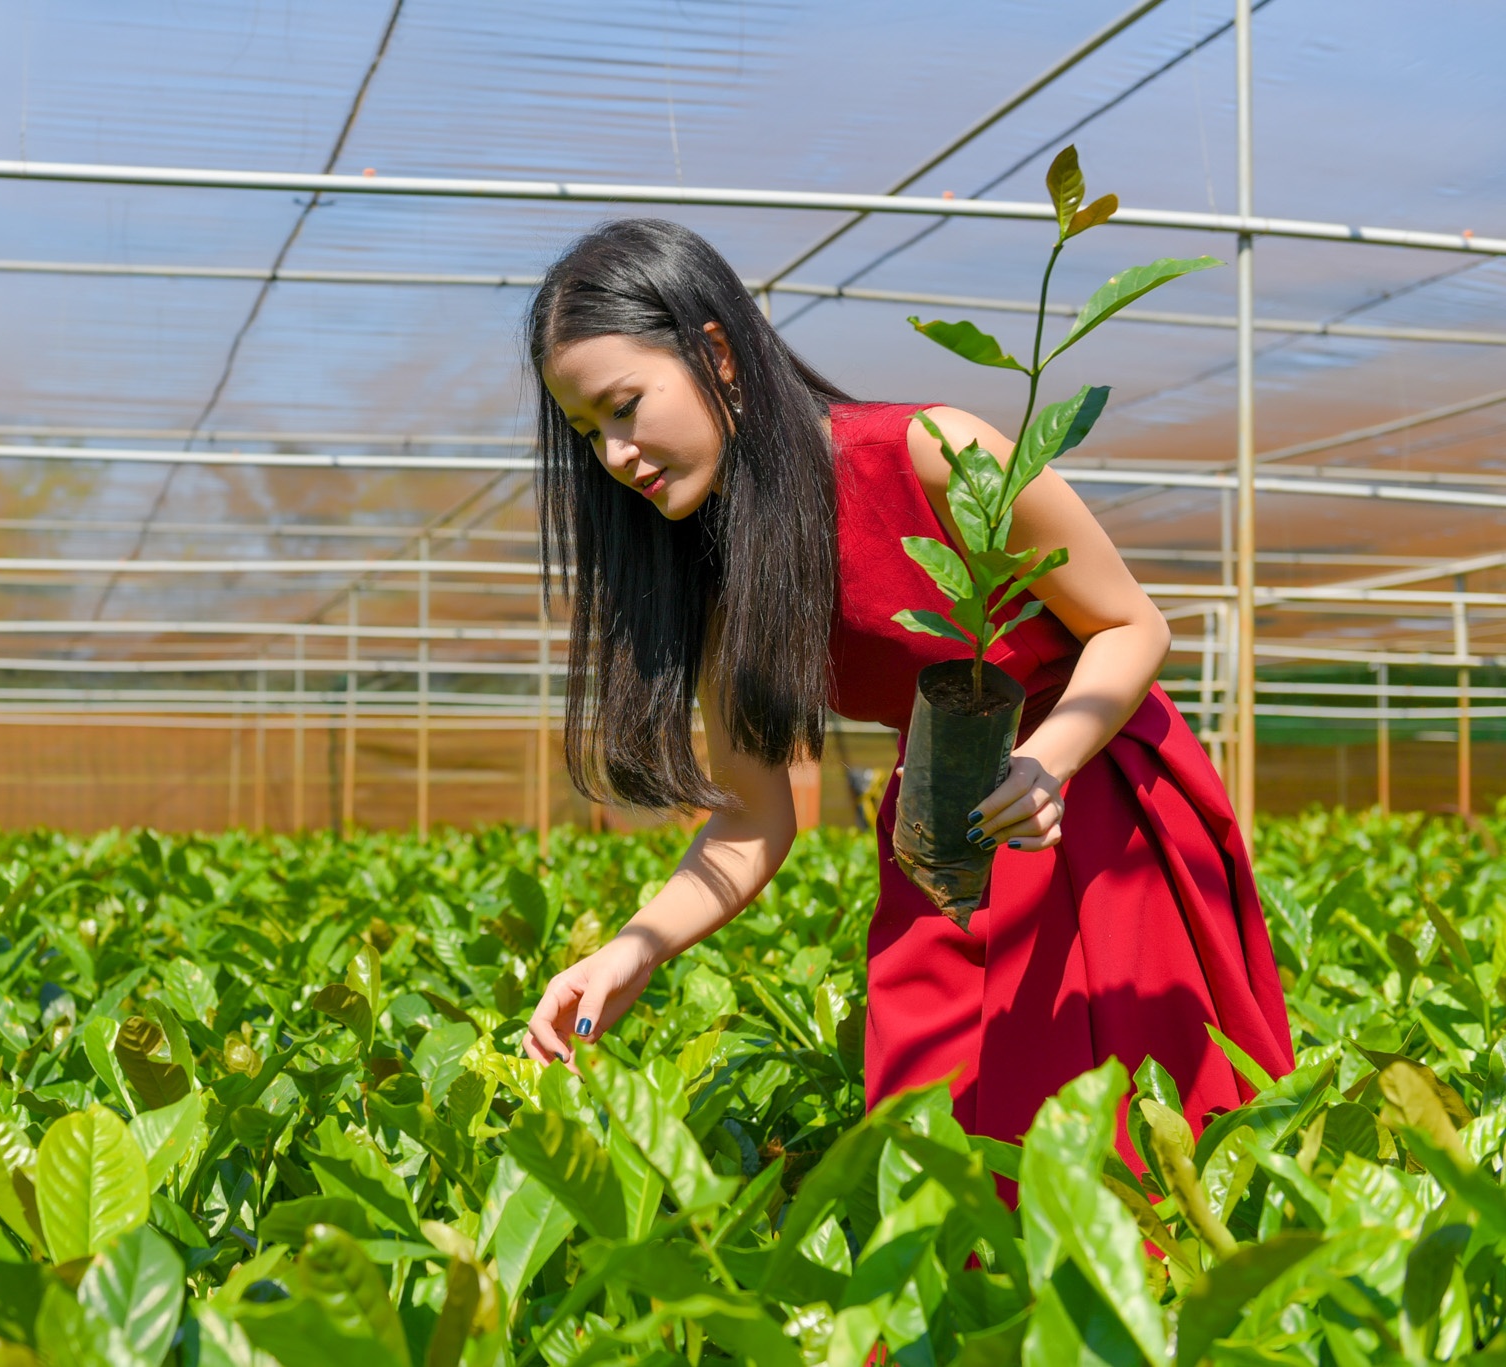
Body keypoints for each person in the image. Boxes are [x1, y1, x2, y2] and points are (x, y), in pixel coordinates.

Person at [519, 218, 1293, 1160]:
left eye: (624, 405)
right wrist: (629, 949)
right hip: (943, 827)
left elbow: (1132, 625)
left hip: (1095, 805)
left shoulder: (935, 454)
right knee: (936, 1141)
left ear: (715, 353)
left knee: (1137, 1146)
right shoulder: (728, 573)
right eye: (586, 430)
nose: (613, 455)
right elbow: (752, 819)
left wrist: (1047, 761)